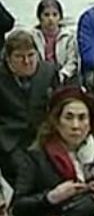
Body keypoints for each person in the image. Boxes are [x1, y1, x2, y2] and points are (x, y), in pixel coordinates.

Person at [13, 86, 94, 216]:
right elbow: (18, 207)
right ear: (56, 121)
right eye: (69, 118)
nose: (76, 126)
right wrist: (50, 197)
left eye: (82, 118)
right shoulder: (36, 156)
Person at [0, 30, 57, 183]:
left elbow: (59, 106)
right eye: (19, 57)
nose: (27, 62)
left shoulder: (49, 71)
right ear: (8, 59)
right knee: (23, 171)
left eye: (31, 55)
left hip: (43, 134)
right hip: (10, 139)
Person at [31, 0, 80, 85]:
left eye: (54, 15)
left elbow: (72, 61)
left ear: (60, 17)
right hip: (39, 76)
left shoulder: (69, 36)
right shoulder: (32, 36)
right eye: (46, 15)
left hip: (64, 76)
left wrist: (62, 74)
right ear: (39, 17)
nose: (50, 19)